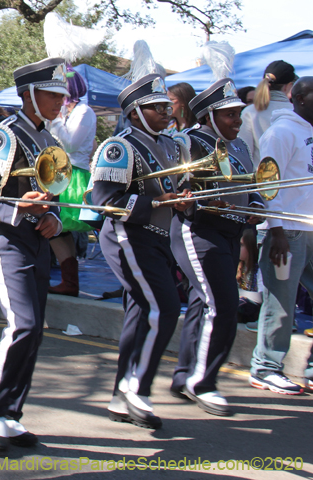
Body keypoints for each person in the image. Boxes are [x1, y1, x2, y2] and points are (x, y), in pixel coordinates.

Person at [0, 58, 67, 454]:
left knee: (34, 328)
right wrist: (19, 209)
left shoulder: (50, 141)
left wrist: (54, 220)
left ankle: (9, 411)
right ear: (28, 95)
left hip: (36, 241)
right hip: (4, 237)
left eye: (62, 95)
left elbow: (53, 199)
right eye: (52, 94)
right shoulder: (3, 135)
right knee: (22, 324)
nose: (60, 101)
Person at [93, 74, 191, 430]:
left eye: (167, 106)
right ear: (135, 113)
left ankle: (121, 396)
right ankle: (138, 387)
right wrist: (157, 202)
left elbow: (174, 188)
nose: (166, 111)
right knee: (164, 307)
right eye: (157, 107)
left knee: (141, 312)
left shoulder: (171, 145)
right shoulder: (119, 147)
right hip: (128, 236)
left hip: (159, 238)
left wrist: (184, 200)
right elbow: (105, 202)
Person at [169, 79, 264, 416]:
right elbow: (177, 187)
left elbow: (251, 184)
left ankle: (185, 376)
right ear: (209, 116)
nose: (238, 120)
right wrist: (196, 201)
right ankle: (203, 382)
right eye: (229, 115)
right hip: (200, 231)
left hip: (231, 231)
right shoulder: (188, 141)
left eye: (238, 113)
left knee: (202, 303)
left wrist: (256, 205)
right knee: (222, 305)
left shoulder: (240, 146)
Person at [249, 76, 313, 395]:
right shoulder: (281, 133)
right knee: (282, 303)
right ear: (299, 98)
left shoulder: (309, 131)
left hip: (310, 228)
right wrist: (275, 231)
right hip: (286, 231)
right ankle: (266, 367)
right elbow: (267, 185)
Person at [47, 67, 97, 296]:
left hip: (73, 176)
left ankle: (69, 282)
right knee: (58, 230)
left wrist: (56, 120)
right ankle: (69, 282)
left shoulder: (84, 111)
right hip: (62, 173)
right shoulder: (71, 112)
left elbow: (71, 145)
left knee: (57, 227)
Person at [239, 60, 297, 165]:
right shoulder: (298, 111)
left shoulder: (250, 112)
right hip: (296, 175)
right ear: (289, 85)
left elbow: (244, 153)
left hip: (261, 173)